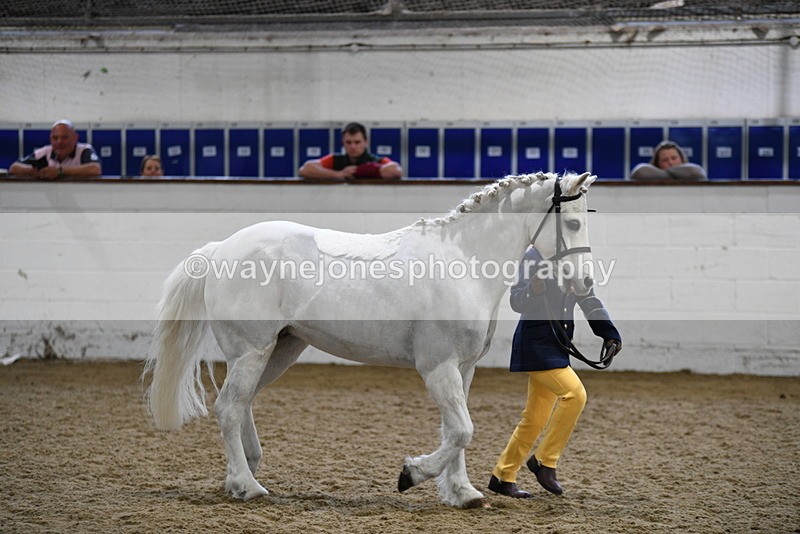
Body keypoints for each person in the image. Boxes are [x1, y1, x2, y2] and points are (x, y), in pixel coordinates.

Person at [488, 246, 622, 499]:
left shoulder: (575, 260)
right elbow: (517, 301)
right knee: (575, 394)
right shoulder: (532, 258)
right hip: (535, 346)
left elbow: (588, 299)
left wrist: (609, 333)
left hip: (557, 347)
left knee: (535, 419)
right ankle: (545, 462)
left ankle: (503, 476)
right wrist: (535, 288)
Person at [298, 122, 402, 180]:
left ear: (366, 142)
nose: (353, 146)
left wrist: (361, 171)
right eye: (348, 142)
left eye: (357, 142)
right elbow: (305, 169)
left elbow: (396, 170)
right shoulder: (335, 160)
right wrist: (337, 174)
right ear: (343, 142)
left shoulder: (376, 160)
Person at [8, 119, 102, 179]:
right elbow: (14, 168)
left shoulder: (84, 150)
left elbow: (95, 169)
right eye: (55, 138)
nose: (59, 142)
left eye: (64, 138)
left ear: (75, 138)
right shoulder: (45, 151)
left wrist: (60, 171)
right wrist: (34, 171)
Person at [630, 140, 707, 181]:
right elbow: (640, 172)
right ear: (657, 164)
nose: (670, 163)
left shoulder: (692, 171)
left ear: (681, 158)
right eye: (664, 160)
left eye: (674, 158)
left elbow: (696, 173)